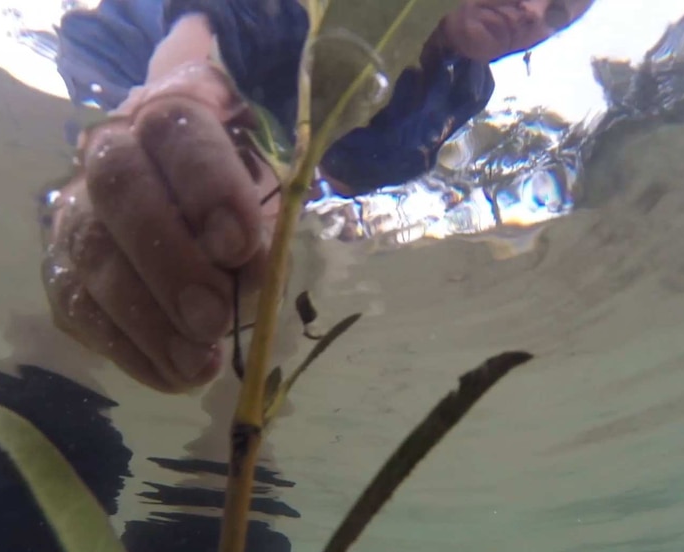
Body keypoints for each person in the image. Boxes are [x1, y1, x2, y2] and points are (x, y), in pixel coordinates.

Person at [44, 0, 595, 393]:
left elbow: (347, 172)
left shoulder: (464, 91)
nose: (532, 10)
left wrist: (285, 212)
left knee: (277, 314)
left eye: (555, 16)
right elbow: (205, 32)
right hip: (131, 54)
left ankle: (226, 484)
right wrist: (177, 98)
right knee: (87, 273)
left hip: (278, 134)